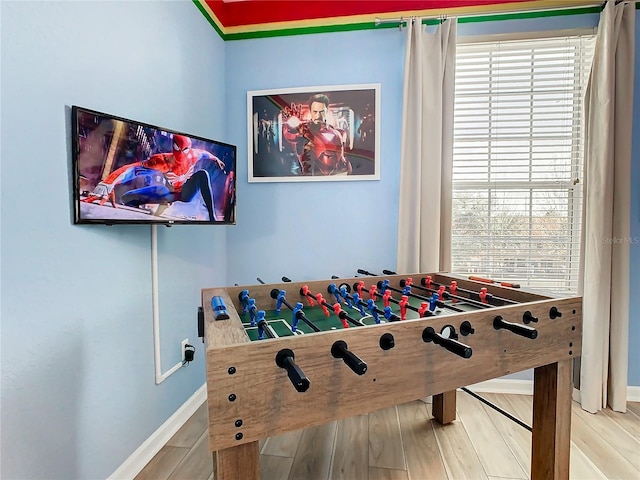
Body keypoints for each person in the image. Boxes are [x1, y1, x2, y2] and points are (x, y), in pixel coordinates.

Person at [84, 134, 226, 221]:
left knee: (202, 174)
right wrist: (108, 183)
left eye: (185, 151)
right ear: (173, 148)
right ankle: (156, 215)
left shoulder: (194, 155)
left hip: (185, 192)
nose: (181, 158)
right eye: (178, 151)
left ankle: (212, 216)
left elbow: (207, 154)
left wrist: (217, 160)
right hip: (169, 194)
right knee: (127, 198)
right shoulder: (161, 161)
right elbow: (133, 169)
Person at [282, 93, 352, 176]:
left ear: (327, 111)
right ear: (310, 111)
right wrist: (292, 124)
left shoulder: (338, 132)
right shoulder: (304, 130)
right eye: (315, 112)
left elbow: (343, 159)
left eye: (321, 112)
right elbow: (291, 135)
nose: (318, 115)